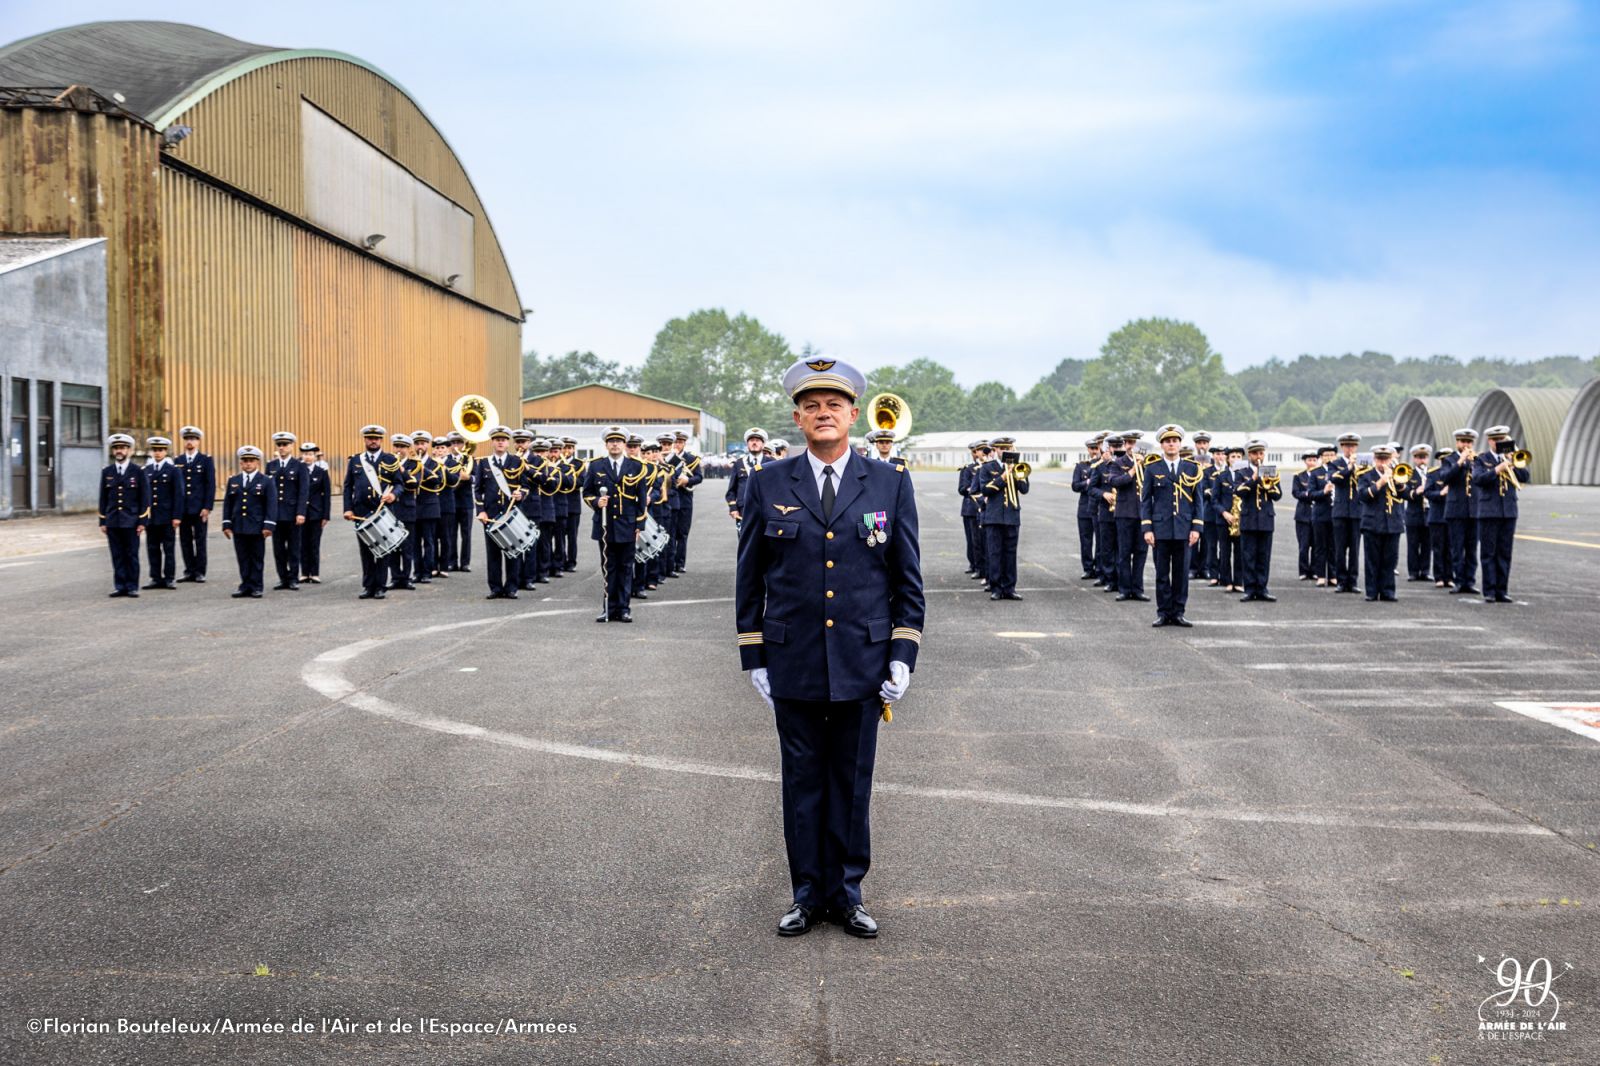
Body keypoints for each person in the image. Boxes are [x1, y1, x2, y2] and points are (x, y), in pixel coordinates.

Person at [736, 355, 924, 939]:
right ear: (798, 418)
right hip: (791, 660)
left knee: (851, 780)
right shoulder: (767, 482)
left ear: (851, 415)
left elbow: (906, 580)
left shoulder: (890, 482)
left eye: (834, 406)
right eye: (812, 406)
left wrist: (902, 653)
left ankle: (847, 894)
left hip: (862, 661)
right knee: (802, 780)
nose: (824, 414)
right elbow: (749, 577)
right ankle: (806, 894)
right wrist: (754, 656)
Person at [582, 425, 648, 622]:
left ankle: (624, 608)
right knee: (608, 568)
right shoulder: (595, 466)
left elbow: (641, 499)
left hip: (628, 524)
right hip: (605, 526)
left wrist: (639, 525)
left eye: (618, 441)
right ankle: (609, 609)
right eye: (611, 442)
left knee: (626, 568)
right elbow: (586, 493)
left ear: (624, 444)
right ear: (606, 444)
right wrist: (596, 502)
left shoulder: (637, 467)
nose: (615, 445)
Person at [1140, 424, 1202, 627]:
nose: (1171, 444)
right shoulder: (1152, 469)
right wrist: (1147, 529)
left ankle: (1178, 612)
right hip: (1161, 530)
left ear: (1180, 444)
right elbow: (1145, 501)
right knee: (1162, 574)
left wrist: (1196, 528)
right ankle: (1163, 612)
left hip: (1184, 529)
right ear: (1162, 445)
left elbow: (1198, 501)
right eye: (1167, 441)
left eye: (1175, 441)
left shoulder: (1192, 469)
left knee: (1181, 574)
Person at [342, 425, 402, 600]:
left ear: (381, 440)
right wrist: (347, 508)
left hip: (382, 511)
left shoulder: (390, 459)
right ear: (365, 440)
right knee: (366, 550)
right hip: (361, 512)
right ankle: (368, 586)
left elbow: (400, 483)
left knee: (383, 549)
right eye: (370, 438)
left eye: (376, 438)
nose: (373, 441)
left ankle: (381, 586)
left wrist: (393, 495)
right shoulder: (355, 461)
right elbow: (348, 487)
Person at [473, 425, 530, 600]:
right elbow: (477, 490)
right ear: (492, 442)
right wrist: (481, 511)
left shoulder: (517, 462)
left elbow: (526, 486)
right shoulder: (483, 463)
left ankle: (512, 587)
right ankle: (495, 588)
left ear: (508, 443)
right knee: (493, 553)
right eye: (497, 439)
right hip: (491, 515)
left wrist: (521, 494)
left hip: (511, 514)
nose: (500, 442)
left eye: (503, 440)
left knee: (513, 551)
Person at [1474, 425, 1527, 603]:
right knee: (1489, 553)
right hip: (1489, 512)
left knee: (1505, 552)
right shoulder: (1482, 459)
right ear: (1490, 441)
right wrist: (1497, 469)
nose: (1500, 443)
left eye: (1503, 440)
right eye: (1497, 440)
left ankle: (1501, 590)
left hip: (1508, 511)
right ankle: (1489, 591)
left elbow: (1525, 476)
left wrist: (1514, 461)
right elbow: (1478, 479)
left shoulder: (1510, 458)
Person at [221, 445, 276, 598]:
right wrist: (226, 524)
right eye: (245, 461)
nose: (248, 464)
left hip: (257, 526)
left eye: (251, 461)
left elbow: (271, 504)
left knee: (256, 557)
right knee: (243, 557)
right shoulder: (234, 480)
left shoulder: (266, 481)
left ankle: (257, 586)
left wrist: (269, 525)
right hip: (239, 525)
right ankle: (245, 585)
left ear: (257, 462)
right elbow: (228, 504)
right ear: (241, 463)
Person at [100, 433, 149, 597]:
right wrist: (102, 520)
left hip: (131, 520)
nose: (119, 451)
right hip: (113, 520)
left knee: (131, 555)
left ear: (129, 450)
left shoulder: (138, 471)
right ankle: (120, 585)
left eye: (122, 448)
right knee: (117, 555)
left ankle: (132, 586)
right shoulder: (107, 471)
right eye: (116, 448)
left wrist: (142, 520)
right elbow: (103, 498)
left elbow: (144, 497)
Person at [979, 435, 1028, 601]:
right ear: (995, 450)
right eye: (1002, 448)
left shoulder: (1017, 467)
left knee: (1010, 553)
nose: (1006, 451)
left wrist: (1016, 472)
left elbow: (1024, 489)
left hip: (1012, 515)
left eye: (1009, 448)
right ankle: (996, 588)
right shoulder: (987, 467)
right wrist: (1003, 477)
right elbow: (985, 490)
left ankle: (1010, 588)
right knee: (995, 552)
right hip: (993, 516)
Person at [1357, 445, 1407, 601]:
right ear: (1374, 459)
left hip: (1393, 523)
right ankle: (1371, 592)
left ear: (1391, 459)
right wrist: (1380, 482)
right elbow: (1363, 495)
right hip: (1372, 523)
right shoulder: (1366, 475)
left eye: (1385, 459)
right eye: (1379, 459)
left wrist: (1397, 481)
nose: (1382, 462)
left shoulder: (1398, 474)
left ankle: (1388, 591)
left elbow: (1406, 494)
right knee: (1372, 560)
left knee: (1389, 560)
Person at [1233, 440, 1281, 602]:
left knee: (1263, 556)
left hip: (1266, 519)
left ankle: (1262, 588)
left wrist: (1269, 485)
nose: (1258, 456)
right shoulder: (1241, 472)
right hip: (1248, 519)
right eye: (1255, 453)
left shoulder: (1270, 471)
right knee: (1248, 556)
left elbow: (1277, 495)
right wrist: (1254, 479)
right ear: (1249, 455)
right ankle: (1249, 589)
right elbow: (1239, 491)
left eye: (1261, 453)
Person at [1435, 428, 1481, 596]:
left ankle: (1470, 581)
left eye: (1469, 442)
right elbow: (1445, 478)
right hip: (1456, 510)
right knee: (1457, 548)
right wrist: (1460, 462)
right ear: (1457, 443)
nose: (1466, 445)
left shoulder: (1478, 460)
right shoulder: (1449, 460)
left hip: (1474, 510)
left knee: (1471, 549)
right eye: (1463, 442)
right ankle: (1459, 581)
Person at [264, 432, 308, 591]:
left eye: (285, 444)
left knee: (294, 548)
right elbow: (267, 492)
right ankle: (283, 578)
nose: (282, 448)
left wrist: (301, 512)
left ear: (291, 446)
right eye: (279, 445)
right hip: (276, 514)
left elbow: (303, 491)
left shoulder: (300, 465)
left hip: (293, 514)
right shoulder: (271, 466)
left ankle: (294, 578)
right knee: (278, 549)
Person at [174, 425, 216, 583]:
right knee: (185, 540)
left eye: (193, 439)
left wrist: (207, 507)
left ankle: (200, 571)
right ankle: (189, 570)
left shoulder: (205, 460)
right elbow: (176, 488)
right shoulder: (178, 461)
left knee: (200, 540)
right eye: (187, 439)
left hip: (199, 508)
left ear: (198, 441)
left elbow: (210, 485)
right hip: (183, 509)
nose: (189, 442)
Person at [141, 435, 183, 590]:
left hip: (167, 517)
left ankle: (169, 577)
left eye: (161, 450)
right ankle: (155, 577)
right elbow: (143, 495)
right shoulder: (146, 470)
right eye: (155, 450)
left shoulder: (173, 470)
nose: (157, 453)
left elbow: (179, 495)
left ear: (166, 452)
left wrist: (177, 516)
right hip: (151, 517)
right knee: (152, 548)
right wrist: (143, 516)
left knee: (168, 548)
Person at [1325, 432, 1364, 594]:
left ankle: (1353, 581)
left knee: (1354, 549)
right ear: (1342, 447)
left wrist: (1358, 468)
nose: (1350, 449)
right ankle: (1341, 581)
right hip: (1340, 511)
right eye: (1347, 446)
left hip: (1356, 511)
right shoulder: (1335, 463)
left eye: (1353, 446)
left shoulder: (1363, 463)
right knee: (1340, 548)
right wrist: (1349, 468)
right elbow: (1335, 479)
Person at [388, 434, 422, 590]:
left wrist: (400, 468)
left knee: (407, 546)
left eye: (402, 447)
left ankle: (407, 577)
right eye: (396, 446)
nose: (399, 450)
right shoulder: (387, 463)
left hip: (407, 509)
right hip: (392, 509)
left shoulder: (415, 464)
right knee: (392, 546)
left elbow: (412, 484)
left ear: (408, 449)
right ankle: (395, 577)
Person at [1090, 435, 1122, 591]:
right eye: (1111, 447)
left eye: (1117, 446)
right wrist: (1104, 494)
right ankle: (1110, 579)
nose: (1113, 450)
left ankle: (1121, 578)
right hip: (1105, 512)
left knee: (1121, 548)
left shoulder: (1123, 465)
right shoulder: (1099, 467)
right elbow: (1091, 489)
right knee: (1107, 547)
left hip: (1122, 512)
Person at [411, 430, 443, 584]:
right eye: (417, 443)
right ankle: (417, 571)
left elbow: (438, 481)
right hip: (413, 508)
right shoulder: (409, 463)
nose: (420, 446)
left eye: (423, 443)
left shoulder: (435, 463)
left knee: (429, 542)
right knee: (415, 542)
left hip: (429, 508)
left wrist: (422, 468)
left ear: (428, 445)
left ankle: (427, 571)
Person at [669, 430, 703, 574]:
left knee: (682, 533)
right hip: (669, 499)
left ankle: (680, 563)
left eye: (680, 442)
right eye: (675, 442)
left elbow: (699, 477)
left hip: (685, 499)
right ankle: (668, 564)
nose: (677, 444)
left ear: (684, 443)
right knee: (669, 533)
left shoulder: (692, 459)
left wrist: (687, 480)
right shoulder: (666, 457)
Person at [1070, 435, 1101, 580]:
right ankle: (1088, 568)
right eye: (1091, 448)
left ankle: (1100, 567)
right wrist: (1087, 482)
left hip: (1099, 507)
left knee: (1102, 540)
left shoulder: (1104, 465)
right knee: (1086, 540)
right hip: (1084, 507)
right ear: (1088, 449)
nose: (1094, 451)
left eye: (1096, 448)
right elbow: (1075, 486)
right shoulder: (1081, 466)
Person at [300, 442, 331, 583]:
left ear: (315, 456)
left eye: (310, 454)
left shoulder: (321, 472)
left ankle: (315, 573)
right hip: (301, 513)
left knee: (314, 544)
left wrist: (326, 515)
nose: (308, 457)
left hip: (316, 513)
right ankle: (305, 572)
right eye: (305, 454)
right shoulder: (298, 471)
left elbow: (326, 494)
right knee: (302, 544)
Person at [960, 440, 990, 583]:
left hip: (985, 508)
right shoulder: (968, 469)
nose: (977, 454)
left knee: (985, 541)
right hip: (971, 508)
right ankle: (976, 566)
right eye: (974, 451)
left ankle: (985, 569)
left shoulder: (989, 467)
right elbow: (962, 488)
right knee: (973, 541)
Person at [1424, 444, 1453, 589]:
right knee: (1438, 548)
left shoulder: (1455, 473)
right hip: (1437, 516)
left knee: (1451, 548)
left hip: (1453, 515)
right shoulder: (1433, 473)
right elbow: (1427, 493)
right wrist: (1441, 493)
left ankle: (1450, 576)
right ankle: (1439, 577)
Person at [727, 427, 769, 526]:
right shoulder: (739, 463)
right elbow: (731, 490)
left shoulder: (771, 462)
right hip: (743, 509)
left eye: (758, 440)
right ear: (747, 444)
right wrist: (733, 508)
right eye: (751, 440)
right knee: (744, 540)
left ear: (763, 444)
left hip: (766, 509)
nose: (754, 443)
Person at [1404, 445, 1432, 581]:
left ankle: (1425, 571)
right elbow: (1403, 493)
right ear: (1414, 459)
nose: (1422, 460)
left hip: (1428, 513)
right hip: (1413, 513)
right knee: (1413, 544)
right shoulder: (1408, 474)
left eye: (1424, 457)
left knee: (1427, 544)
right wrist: (1416, 492)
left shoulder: (1432, 473)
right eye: (1419, 458)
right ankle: (1413, 571)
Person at [448, 432, 475, 573]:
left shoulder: (470, 459)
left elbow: (477, 478)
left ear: (463, 444)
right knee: (451, 533)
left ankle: (465, 563)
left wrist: (468, 477)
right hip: (451, 501)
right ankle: (452, 562)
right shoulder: (446, 460)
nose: (456, 446)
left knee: (466, 534)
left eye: (459, 443)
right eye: (453, 443)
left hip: (466, 501)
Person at [1309, 445, 1336, 586]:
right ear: (1321, 457)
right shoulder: (1315, 473)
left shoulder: (1339, 472)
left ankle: (1333, 575)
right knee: (1320, 546)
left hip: (1336, 514)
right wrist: (1324, 492)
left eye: (1332, 454)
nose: (1329, 457)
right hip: (1320, 514)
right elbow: (1311, 493)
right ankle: (1320, 575)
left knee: (1334, 546)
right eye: (1326, 455)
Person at [1291, 451, 1317, 580]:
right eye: (1309, 460)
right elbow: (1296, 492)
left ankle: (1315, 570)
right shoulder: (1299, 476)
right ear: (1305, 461)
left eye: (1314, 460)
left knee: (1317, 545)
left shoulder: (1321, 475)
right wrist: (1309, 494)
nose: (1312, 462)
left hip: (1317, 514)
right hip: (1303, 514)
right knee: (1303, 545)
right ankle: (1303, 571)